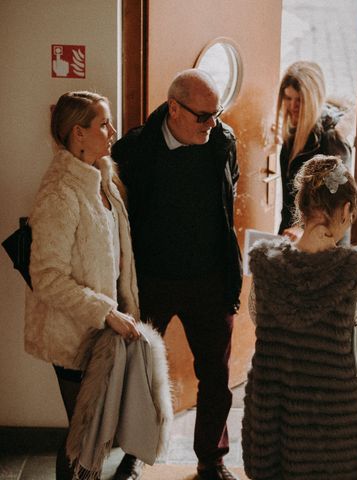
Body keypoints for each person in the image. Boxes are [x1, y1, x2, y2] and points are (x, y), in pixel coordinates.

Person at [111, 69, 242, 480]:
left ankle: (212, 459)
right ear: (173, 108)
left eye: (216, 114)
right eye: (202, 115)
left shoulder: (222, 142)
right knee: (141, 372)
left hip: (209, 279)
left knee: (216, 377)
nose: (212, 124)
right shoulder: (134, 148)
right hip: (153, 279)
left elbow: (228, 196)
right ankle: (134, 454)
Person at [242, 155, 357, 479]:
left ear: (302, 206)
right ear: (345, 210)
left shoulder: (266, 266)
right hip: (336, 425)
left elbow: (259, 319)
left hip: (275, 418)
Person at [25, 91, 141, 479]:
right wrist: (105, 312)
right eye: (104, 124)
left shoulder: (102, 178)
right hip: (73, 335)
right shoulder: (61, 192)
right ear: (79, 133)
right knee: (84, 439)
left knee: (92, 436)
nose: (112, 131)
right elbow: (47, 278)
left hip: (101, 331)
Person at [275, 61, 352, 238]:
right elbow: (290, 202)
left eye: (299, 100)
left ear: (313, 99)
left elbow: (338, 205)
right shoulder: (293, 134)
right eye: (288, 98)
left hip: (323, 243)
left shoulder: (330, 139)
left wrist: (305, 230)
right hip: (293, 236)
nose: (292, 106)